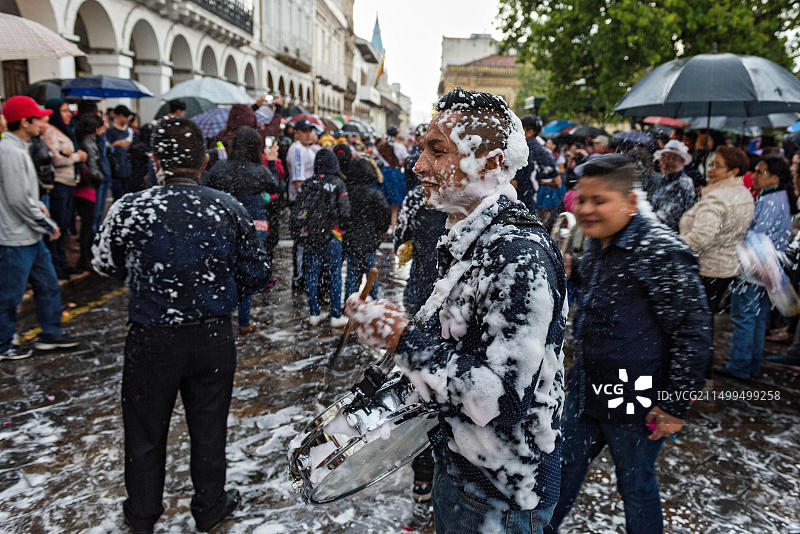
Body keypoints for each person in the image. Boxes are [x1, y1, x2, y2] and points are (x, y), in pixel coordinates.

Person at [344, 89, 567, 534]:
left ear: (489, 163)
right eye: (423, 148)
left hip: (502, 495)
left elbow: (500, 399)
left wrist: (401, 338)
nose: (418, 165)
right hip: (464, 470)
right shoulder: (473, 236)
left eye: (436, 150)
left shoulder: (517, 254)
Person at [92, 117, 271, 533]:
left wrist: (148, 277)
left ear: (156, 161)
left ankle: (142, 513)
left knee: (144, 432)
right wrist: (218, 286)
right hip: (210, 335)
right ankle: (209, 505)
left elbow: (105, 263)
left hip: (151, 336)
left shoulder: (130, 208)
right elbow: (257, 273)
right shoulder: (227, 208)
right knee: (209, 428)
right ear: (204, 161)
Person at [549, 154, 711, 534]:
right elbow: (606, 289)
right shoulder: (600, 240)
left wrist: (673, 405)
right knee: (559, 473)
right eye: (582, 199)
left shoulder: (661, 251)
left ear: (630, 203)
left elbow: (693, 333)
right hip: (587, 388)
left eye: (599, 200)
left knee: (636, 485)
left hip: (636, 400)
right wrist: (573, 270)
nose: (586, 210)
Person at [0, 96, 80, 359]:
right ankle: (3, 344)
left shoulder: (17, 148)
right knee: (10, 293)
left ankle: (51, 332)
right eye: (38, 118)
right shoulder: (10, 152)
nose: (43, 123)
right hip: (15, 237)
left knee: (47, 284)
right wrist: (44, 222)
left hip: (28, 235)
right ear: (25, 122)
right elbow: (17, 199)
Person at [392, 153, 448, 531]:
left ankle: (423, 489)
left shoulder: (416, 198)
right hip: (451, 302)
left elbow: (400, 238)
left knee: (423, 394)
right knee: (444, 389)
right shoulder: (462, 199)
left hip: (421, 298)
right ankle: (440, 482)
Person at [204, 126, 282, 334]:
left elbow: (207, 185)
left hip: (226, 223)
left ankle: (223, 313)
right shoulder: (260, 171)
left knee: (225, 269)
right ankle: (244, 321)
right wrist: (272, 162)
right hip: (255, 224)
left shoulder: (221, 168)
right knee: (247, 271)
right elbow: (275, 187)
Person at [723, 154, 792, 381]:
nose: (754, 177)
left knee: (745, 317)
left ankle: (739, 366)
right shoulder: (779, 197)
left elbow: (754, 235)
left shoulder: (769, 200)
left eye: (761, 172)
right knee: (758, 319)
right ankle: (750, 365)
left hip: (753, 268)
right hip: (767, 269)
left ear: (775, 178)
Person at [679, 146, 754, 355]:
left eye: (718, 166)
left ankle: (699, 366)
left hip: (707, 267)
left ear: (734, 171)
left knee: (696, 324)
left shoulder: (717, 197)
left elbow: (700, 238)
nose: (711, 169)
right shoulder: (743, 193)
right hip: (726, 267)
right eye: (711, 164)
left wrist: (672, 246)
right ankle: (703, 364)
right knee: (705, 320)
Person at [293, 148, 350, 327]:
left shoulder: (307, 184)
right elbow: (345, 211)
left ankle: (314, 313)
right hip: (332, 234)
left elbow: (298, 208)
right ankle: (335, 315)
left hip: (310, 235)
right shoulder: (338, 183)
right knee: (335, 274)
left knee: (311, 274)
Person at [43, 98, 87, 278]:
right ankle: (56, 263)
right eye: (63, 111)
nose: (68, 114)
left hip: (70, 183)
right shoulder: (50, 132)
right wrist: (76, 157)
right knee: (58, 224)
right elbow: (55, 158)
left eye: (68, 110)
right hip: (59, 183)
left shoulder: (66, 131)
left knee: (66, 223)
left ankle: (63, 262)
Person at [342, 157, 391, 300]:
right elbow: (385, 212)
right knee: (371, 274)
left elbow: (342, 214)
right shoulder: (374, 193)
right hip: (369, 238)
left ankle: (349, 303)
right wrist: (381, 229)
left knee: (352, 274)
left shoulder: (347, 192)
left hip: (351, 238)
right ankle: (372, 302)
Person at [286, 118, 321, 291]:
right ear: (296, 133)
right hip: (302, 201)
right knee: (301, 240)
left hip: (310, 200)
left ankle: (306, 275)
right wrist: (306, 202)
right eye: (305, 131)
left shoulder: (310, 149)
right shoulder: (297, 149)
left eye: (310, 131)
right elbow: (298, 180)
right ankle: (299, 277)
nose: (308, 134)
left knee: (308, 240)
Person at [74, 113, 104, 272]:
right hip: (88, 188)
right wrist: (101, 177)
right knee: (88, 224)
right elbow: (93, 167)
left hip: (86, 187)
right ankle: (85, 258)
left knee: (88, 223)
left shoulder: (87, 141)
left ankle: (86, 257)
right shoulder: (89, 143)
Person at [515, 114, 560, 219]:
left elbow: (513, 182)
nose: (517, 131)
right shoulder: (544, 152)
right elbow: (557, 182)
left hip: (516, 204)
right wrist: (536, 181)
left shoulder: (519, 150)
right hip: (532, 204)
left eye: (520, 128)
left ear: (530, 132)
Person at [648, 139, 697, 231]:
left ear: (682, 162)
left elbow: (669, 218)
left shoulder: (684, 183)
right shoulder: (663, 178)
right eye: (663, 157)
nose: (666, 162)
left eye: (673, 158)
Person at [106, 104, 134, 200]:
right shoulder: (110, 131)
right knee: (117, 196)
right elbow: (106, 149)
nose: (126, 119)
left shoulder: (129, 131)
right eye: (124, 116)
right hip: (115, 169)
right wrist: (116, 144)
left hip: (128, 168)